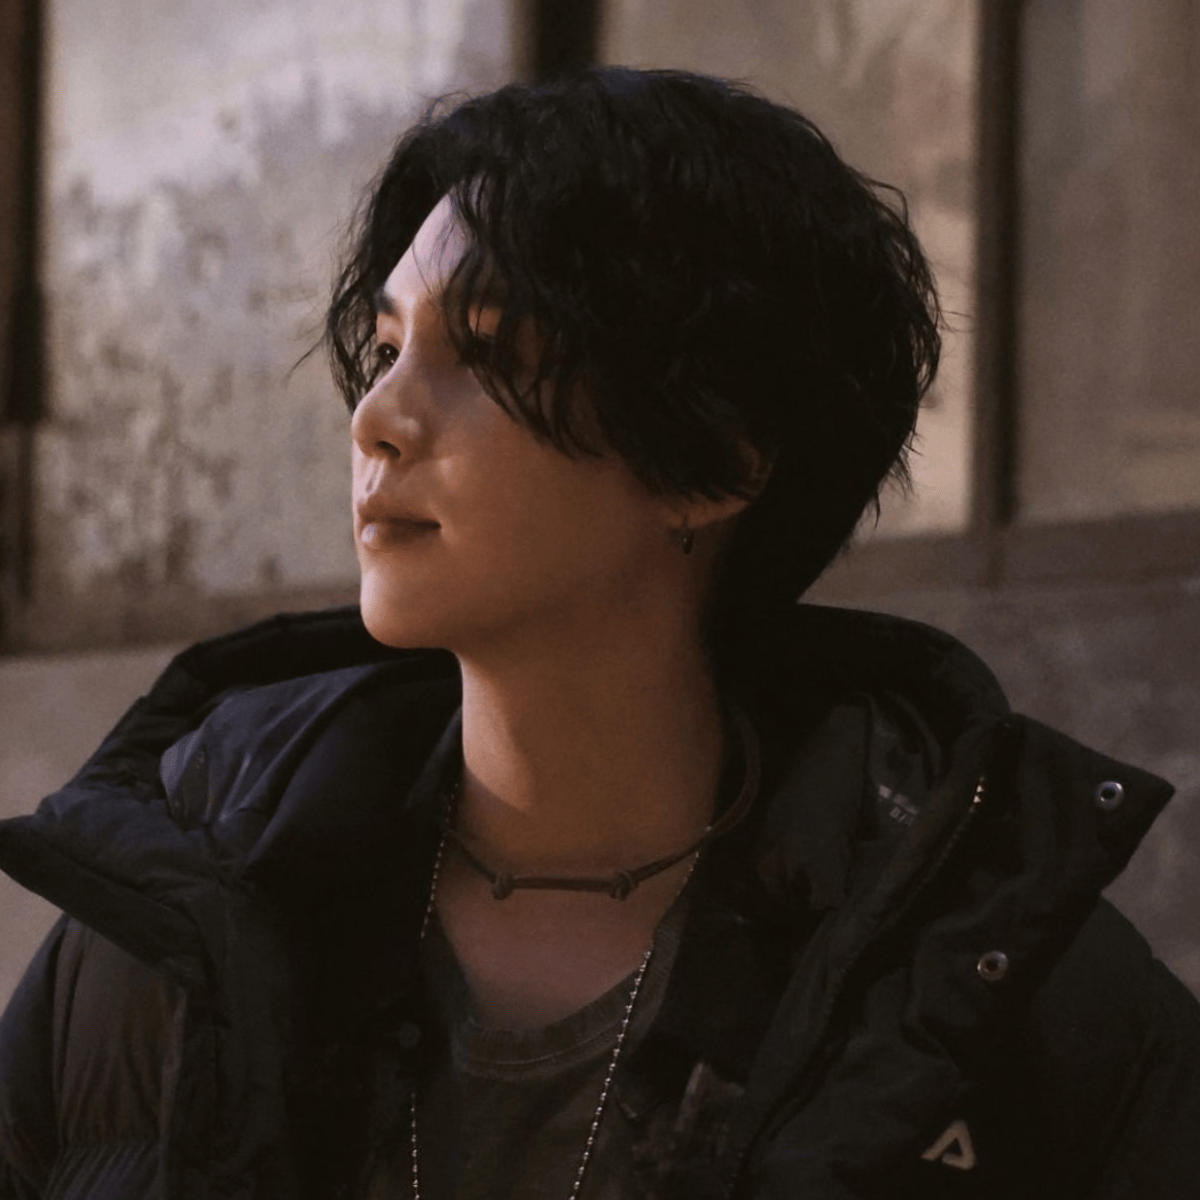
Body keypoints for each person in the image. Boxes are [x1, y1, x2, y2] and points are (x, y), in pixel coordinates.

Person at [1, 66, 1198, 1200]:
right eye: (388, 348)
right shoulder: (176, 919)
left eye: (483, 350)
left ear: (717, 457)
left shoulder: (1002, 996)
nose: (376, 418)